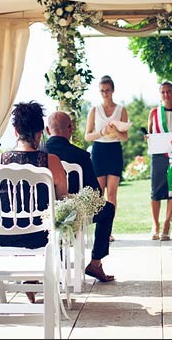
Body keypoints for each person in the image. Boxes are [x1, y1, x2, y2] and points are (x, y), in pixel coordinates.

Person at [0, 101, 68, 250]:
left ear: (16, 132)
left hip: (2, 234)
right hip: (41, 237)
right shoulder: (53, 162)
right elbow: (62, 201)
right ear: (39, 134)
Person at [45, 111, 116, 282]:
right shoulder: (81, 156)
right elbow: (95, 193)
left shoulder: (39, 153)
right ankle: (96, 263)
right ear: (70, 129)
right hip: (76, 213)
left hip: (43, 214)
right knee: (108, 208)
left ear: (48, 130)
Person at [85, 75, 129, 241]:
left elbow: (125, 137)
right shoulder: (94, 110)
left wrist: (115, 131)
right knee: (99, 193)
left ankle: (107, 231)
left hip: (114, 151)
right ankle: (98, 230)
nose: (105, 94)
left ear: (113, 90)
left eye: (107, 90)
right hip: (99, 150)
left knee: (112, 194)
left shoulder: (121, 110)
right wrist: (102, 132)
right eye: (102, 91)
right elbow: (87, 136)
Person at [146, 81, 172, 241]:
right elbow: (149, 134)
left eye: (169, 91)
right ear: (160, 94)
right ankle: (155, 224)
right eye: (163, 92)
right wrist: (147, 137)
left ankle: (167, 224)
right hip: (159, 156)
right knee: (156, 192)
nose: (166, 95)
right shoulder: (154, 113)